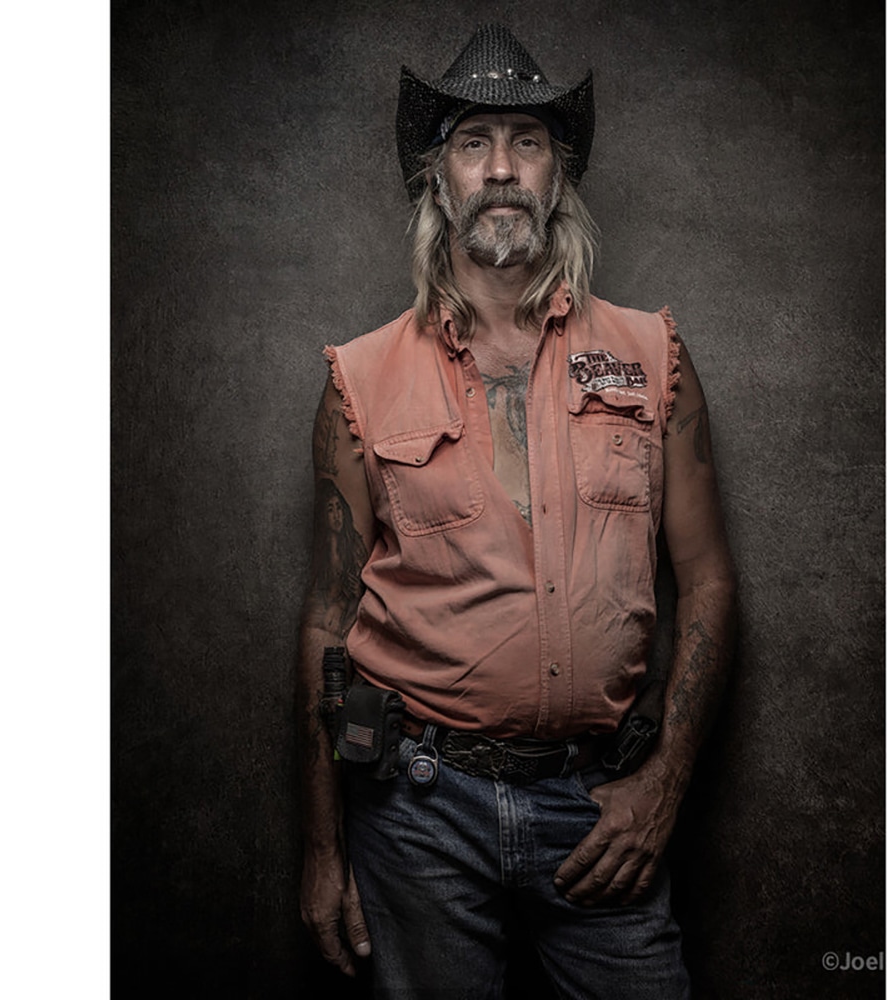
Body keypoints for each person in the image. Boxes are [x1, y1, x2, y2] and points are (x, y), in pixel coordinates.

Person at [297, 23, 737, 1000]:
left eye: (527, 141)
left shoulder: (651, 356)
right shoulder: (359, 380)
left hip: (597, 803)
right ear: (437, 179)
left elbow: (707, 577)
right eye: (473, 142)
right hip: (416, 810)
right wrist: (324, 849)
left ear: (558, 175)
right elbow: (327, 621)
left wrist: (665, 783)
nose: (501, 168)